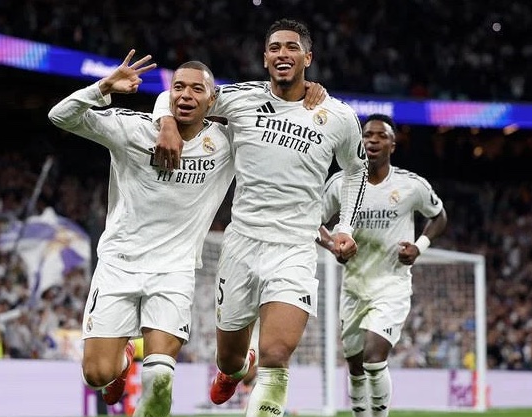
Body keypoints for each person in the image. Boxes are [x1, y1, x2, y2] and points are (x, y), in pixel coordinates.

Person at [152, 19, 368, 415]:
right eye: (274, 48)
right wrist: (166, 123)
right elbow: (177, 94)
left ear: (308, 57)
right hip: (242, 244)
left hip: (295, 249)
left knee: (276, 354)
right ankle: (236, 369)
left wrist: (344, 227)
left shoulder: (337, 115)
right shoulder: (240, 98)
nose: (282, 54)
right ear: (265, 57)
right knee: (229, 358)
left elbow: (357, 169)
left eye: (291, 47)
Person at [48, 51, 235, 416]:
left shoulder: (226, 143)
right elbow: (60, 116)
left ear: (212, 100)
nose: (186, 95)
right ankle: (123, 359)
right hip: (119, 265)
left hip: (174, 271)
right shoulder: (132, 129)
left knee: (160, 377)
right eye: (178, 87)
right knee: (96, 374)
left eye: (197, 89)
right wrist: (103, 87)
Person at [320, 114, 447, 417]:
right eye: (367, 135)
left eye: (381, 135)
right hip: (354, 287)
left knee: (374, 359)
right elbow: (312, 220)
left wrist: (419, 246)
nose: (373, 140)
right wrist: (332, 245)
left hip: (392, 285)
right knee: (355, 367)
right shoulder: (340, 183)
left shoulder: (411, 185)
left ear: (393, 144)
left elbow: (439, 216)